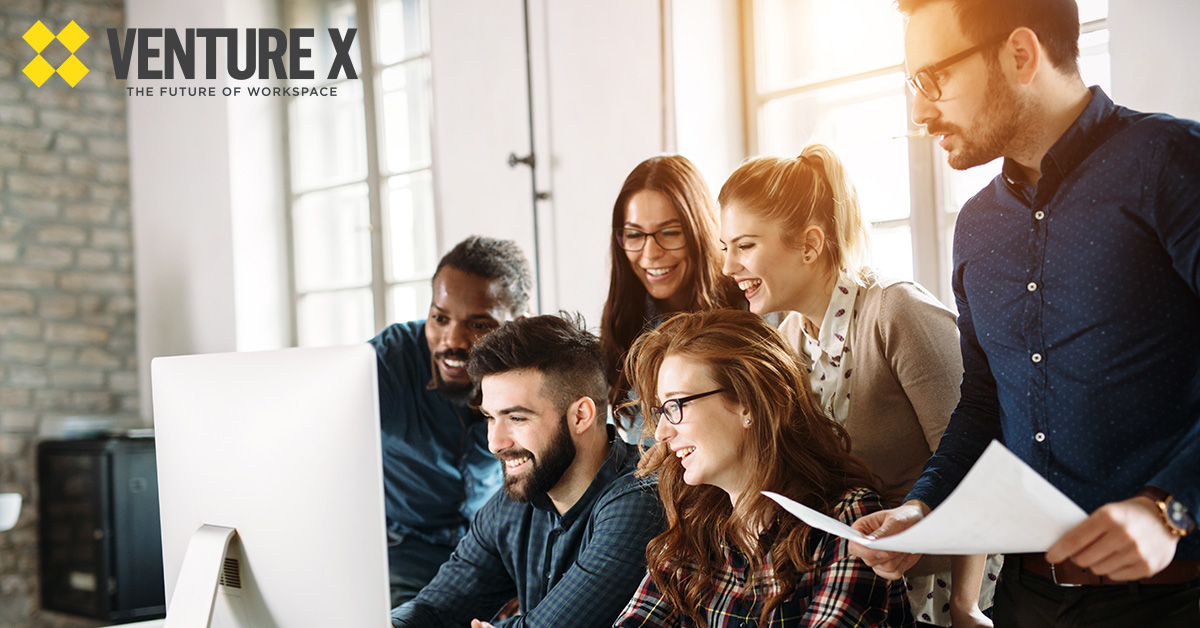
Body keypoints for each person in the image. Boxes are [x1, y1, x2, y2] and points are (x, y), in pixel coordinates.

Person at [851, 1, 1200, 625]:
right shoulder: (977, 226)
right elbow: (985, 403)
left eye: (933, 79)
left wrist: (1172, 508)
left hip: (1175, 598)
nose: (919, 112)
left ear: (1020, 54)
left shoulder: (1170, 162)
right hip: (1025, 598)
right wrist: (922, 506)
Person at [718, 145, 996, 627]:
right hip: (857, 585)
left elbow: (977, 464)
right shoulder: (788, 340)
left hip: (941, 588)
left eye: (744, 246)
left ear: (809, 244)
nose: (728, 267)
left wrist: (965, 605)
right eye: (726, 248)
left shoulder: (897, 312)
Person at [614, 309, 912, 627]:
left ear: (748, 402)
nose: (661, 433)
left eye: (676, 405)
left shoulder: (848, 521)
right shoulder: (697, 528)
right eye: (661, 411)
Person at [391, 313, 663, 628]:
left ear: (580, 416)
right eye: (490, 417)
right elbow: (433, 610)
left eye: (517, 418)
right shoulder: (513, 504)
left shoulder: (641, 500)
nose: (495, 443)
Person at [370, 235, 533, 607]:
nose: (452, 341)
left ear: (517, 326)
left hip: (494, 550)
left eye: (479, 325)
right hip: (405, 551)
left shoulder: (535, 373)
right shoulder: (390, 361)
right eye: (440, 318)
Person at [600, 155, 743, 434]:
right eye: (634, 235)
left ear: (698, 231)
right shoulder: (624, 320)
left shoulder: (749, 304)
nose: (651, 253)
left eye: (669, 232)